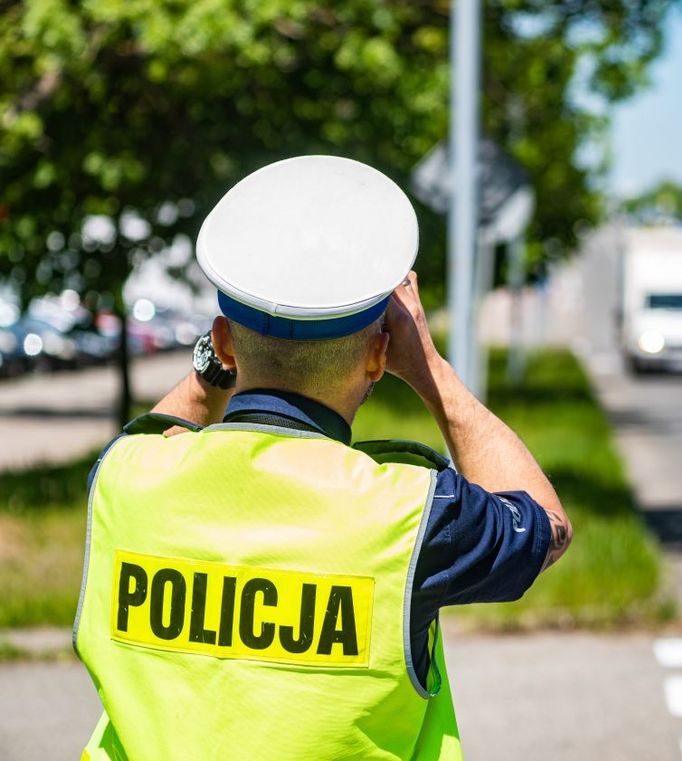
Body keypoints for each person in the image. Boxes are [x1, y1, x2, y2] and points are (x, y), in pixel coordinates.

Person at [73, 156, 571, 761]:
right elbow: (546, 524)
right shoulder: (413, 517)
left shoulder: (124, 479)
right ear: (378, 356)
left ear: (225, 342)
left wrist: (215, 365)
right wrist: (430, 370)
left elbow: (161, 428)